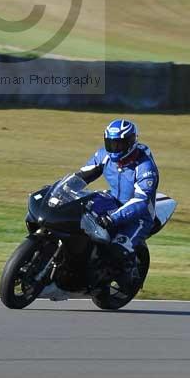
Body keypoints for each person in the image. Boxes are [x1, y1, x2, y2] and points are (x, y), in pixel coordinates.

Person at [77, 118, 159, 289]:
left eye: (119, 144)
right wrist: (61, 187)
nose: (114, 148)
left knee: (117, 250)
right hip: (112, 201)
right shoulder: (104, 155)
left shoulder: (146, 167)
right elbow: (83, 175)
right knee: (78, 213)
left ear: (130, 143)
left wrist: (113, 218)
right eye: (111, 143)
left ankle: (129, 274)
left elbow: (141, 201)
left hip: (139, 217)